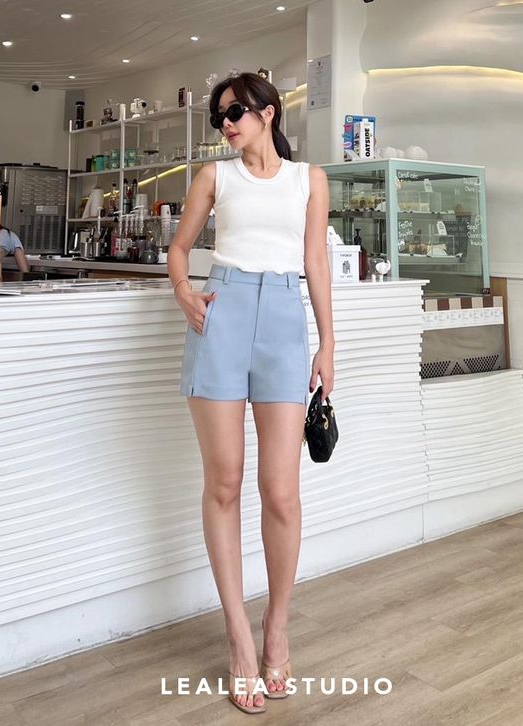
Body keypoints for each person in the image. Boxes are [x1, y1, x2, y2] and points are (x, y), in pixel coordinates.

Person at [167, 72, 334, 715]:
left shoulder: (308, 180)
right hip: (224, 314)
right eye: (219, 118)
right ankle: (239, 637)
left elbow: (315, 262)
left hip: (285, 323)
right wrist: (185, 292)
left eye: (234, 112)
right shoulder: (215, 177)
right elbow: (180, 250)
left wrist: (327, 344)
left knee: (281, 491)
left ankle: (276, 627)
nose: (226, 125)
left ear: (268, 112)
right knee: (225, 482)